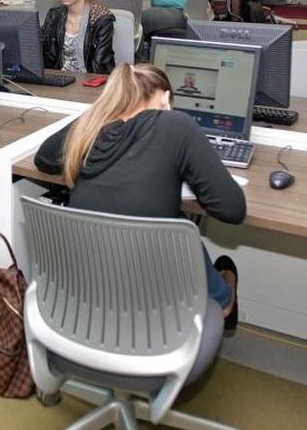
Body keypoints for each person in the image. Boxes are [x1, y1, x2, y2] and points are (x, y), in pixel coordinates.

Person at [33, 63, 245, 328]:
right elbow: (233, 209)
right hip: (159, 315)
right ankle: (225, 302)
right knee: (181, 227)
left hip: (88, 310)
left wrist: (99, 114)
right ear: (166, 99)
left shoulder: (94, 130)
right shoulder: (176, 125)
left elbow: (44, 158)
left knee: (171, 223)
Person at [40, 0, 115, 75]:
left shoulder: (101, 19)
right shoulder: (54, 15)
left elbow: (100, 66)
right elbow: (44, 55)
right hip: (60, 80)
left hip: (89, 83)